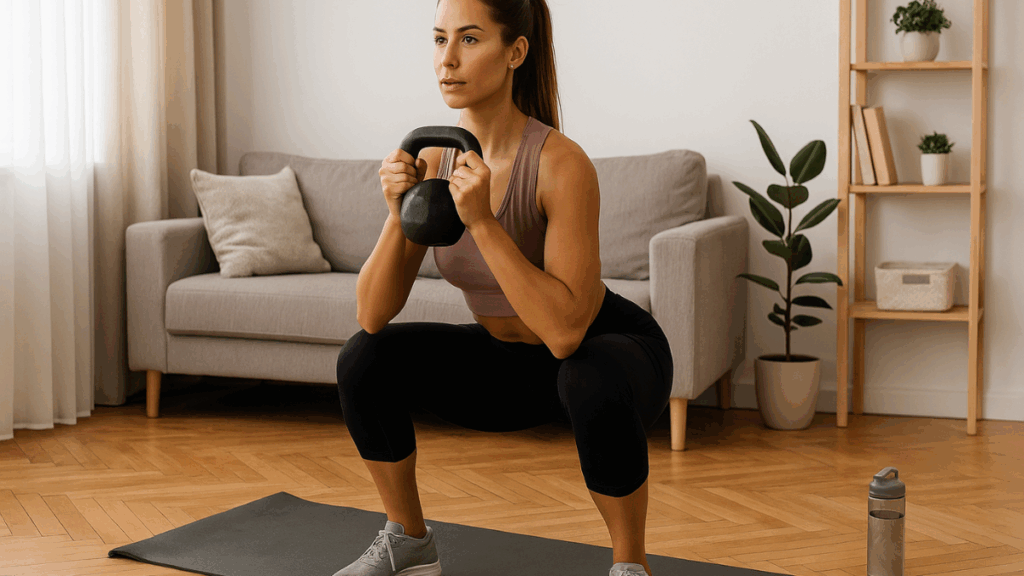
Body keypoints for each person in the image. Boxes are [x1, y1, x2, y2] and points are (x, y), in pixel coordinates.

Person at [334, 1, 671, 575]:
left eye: (469, 40)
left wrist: (484, 223)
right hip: (509, 363)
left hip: (610, 352)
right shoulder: (436, 158)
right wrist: (398, 214)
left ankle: (629, 565)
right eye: (439, 40)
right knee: (364, 357)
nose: (446, 60)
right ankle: (409, 541)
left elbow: (566, 333)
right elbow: (371, 313)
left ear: (515, 52)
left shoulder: (561, 163)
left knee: (585, 373)